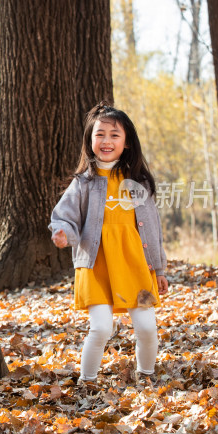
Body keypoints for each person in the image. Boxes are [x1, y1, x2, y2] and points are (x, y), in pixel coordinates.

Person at [49, 101, 169, 388]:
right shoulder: (83, 183)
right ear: (90, 140)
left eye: (115, 135)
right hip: (96, 265)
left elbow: (152, 229)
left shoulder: (138, 183)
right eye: (100, 134)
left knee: (147, 328)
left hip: (135, 265)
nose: (106, 141)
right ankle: (87, 382)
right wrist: (63, 233)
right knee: (101, 327)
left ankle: (147, 376)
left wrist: (160, 269)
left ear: (127, 143)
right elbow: (63, 216)